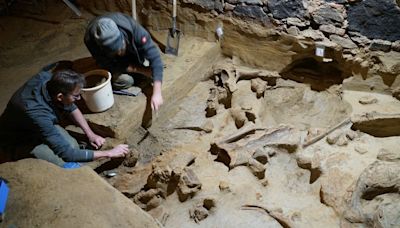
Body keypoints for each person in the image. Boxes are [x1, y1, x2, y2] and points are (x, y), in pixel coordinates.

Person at [0, 62, 129, 167]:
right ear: (60, 97)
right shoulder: (37, 114)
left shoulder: (49, 79)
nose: (79, 99)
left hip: (33, 125)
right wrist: (109, 153)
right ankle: (17, 155)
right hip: (19, 140)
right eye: (76, 95)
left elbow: (71, 106)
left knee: (73, 144)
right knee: (66, 163)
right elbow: (68, 154)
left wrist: (91, 134)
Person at [84, 12, 164, 111]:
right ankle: (114, 82)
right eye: (115, 51)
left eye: (120, 49)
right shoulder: (90, 40)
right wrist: (141, 70)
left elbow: (155, 57)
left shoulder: (134, 30)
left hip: (128, 44)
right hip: (113, 61)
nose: (119, 53)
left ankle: (134, 65)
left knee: (152, 70)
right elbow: (108, 64)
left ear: (122, 37)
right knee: (126, 80)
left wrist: (157, 92)